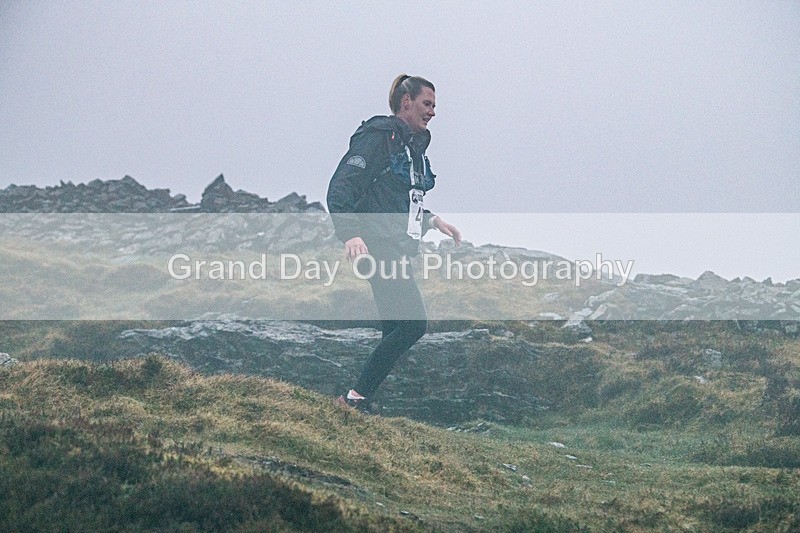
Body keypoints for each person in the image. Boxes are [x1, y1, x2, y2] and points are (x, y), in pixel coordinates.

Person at [326, 74, 461, 413]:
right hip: (375, 244)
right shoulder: (379, 138)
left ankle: (360, 401)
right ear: (407, 102)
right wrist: (351, 233)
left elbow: (398, 200)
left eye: (434, 106)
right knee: (414, 324)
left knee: (395, 327)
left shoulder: (410, 147)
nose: (432, 112)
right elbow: (341, 188)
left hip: (395, 245)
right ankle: (355, 397)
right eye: (426, 104)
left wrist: (432, 220)